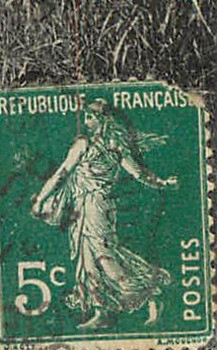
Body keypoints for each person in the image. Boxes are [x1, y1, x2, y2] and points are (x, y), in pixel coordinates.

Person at [31, 101, 178, 329]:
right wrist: (162, 183)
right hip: (85, 207)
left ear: (102, 120)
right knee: (88, 260)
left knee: (104, 257)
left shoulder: (92, 144)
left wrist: (41, 199)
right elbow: (139, 174)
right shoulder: (112, 145)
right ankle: (102, 312)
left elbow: (62, 174)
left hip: (96, 207)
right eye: (87, 117)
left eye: (90, 118)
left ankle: (150, 292)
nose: (87, 122)